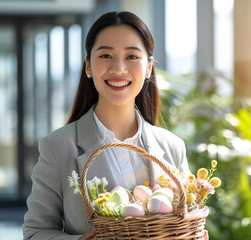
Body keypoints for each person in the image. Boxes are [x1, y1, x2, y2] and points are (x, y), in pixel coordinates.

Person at [22, 11, 197, 239]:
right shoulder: (58, 147)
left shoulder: (172, 147)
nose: (118, 69)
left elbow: (187, 220)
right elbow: (35, 232)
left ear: (148, 67)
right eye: (105, 55)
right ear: (88, 66)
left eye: (132, 57)